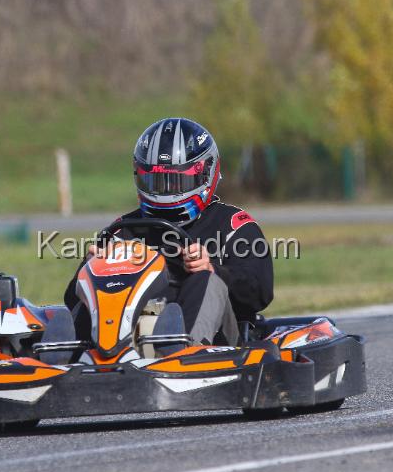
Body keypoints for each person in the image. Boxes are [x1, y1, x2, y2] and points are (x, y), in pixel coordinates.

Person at [64, 118, 273, 346]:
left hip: (216, 343)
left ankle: (184, 353)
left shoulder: (232, 225)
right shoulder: (124, 229)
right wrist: (92, 270)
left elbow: (259, 292)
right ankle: (69, 358)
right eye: (155, 181)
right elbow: (71, 301)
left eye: (175, 182)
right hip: (134, 337)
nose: (164, 191)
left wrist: (214, 269)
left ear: (205, 174)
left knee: (204, 280)